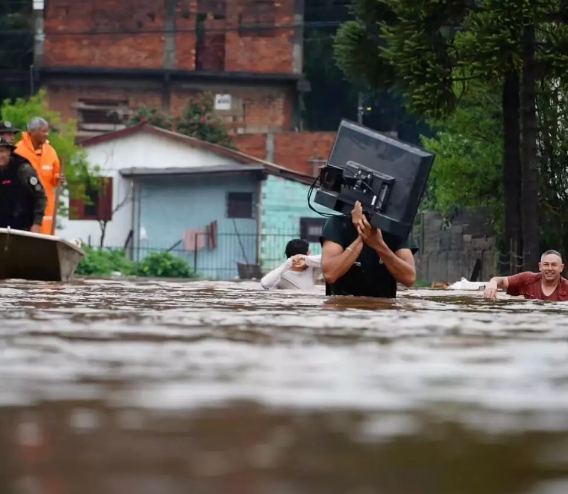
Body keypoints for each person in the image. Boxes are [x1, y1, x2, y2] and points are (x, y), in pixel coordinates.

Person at [320, 201, 418, 298]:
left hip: (383, 310)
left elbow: (409, 278)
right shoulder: (338, 224)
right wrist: (361, 237)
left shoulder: (395, 229)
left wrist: (378, 244)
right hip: (342, 310)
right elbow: (330, 274)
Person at [15, 117, 64, 235]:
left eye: (47, 131)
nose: (47, 135)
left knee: (46, 239)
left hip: (47, 205)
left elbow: (56, 174)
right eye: (43, 131)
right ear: (32, 132)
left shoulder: (51, 151)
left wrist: (58, 178)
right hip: (25, 205)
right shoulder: (18, 150)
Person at [0, 137, 47, 233]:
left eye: (2, 151)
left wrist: (37, 223)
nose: (0, 155)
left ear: (9, 152)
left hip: (23, 229)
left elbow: (40, 196)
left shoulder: (23, 169)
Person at [483, 250, 568, 301]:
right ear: (540, 266)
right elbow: (501, 281)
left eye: (553, 265)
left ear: (561, 268)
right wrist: (493, 282)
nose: (549, 268)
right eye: (546, 264)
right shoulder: (527, 279)